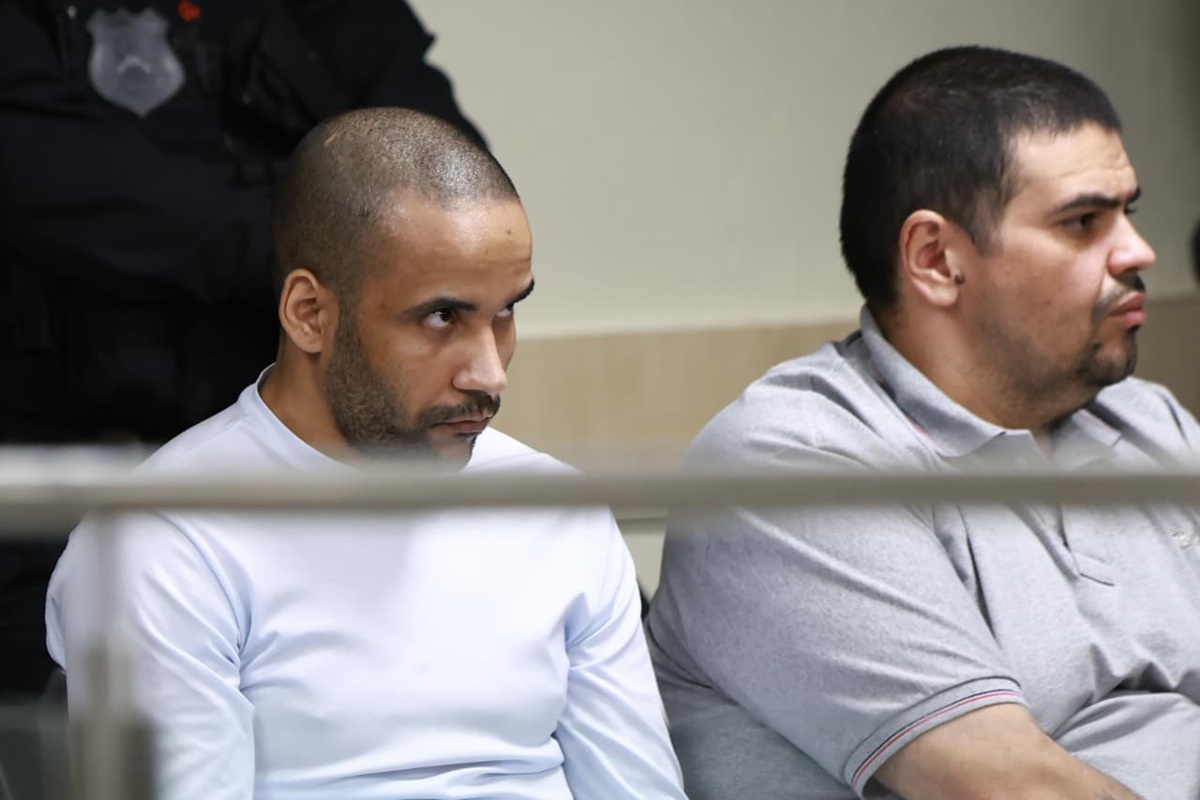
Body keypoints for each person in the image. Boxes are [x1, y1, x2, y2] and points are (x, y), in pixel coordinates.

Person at [46, 107, 686, 799]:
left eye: (505, 312)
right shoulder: (164, 540)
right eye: (442, 317)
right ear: (309, 314)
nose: (490, 373)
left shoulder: (556, 508)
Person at [647, 45, 1200, 800]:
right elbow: (1010, 789)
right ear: (937, 259)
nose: (1139, 250)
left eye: (1125, 213)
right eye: (1082, 222)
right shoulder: (793, 463)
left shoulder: (1146, 420)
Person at [0, 0, 486, 696]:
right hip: (46, 494)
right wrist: (326, 241)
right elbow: (65, 183)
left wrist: (324, 246)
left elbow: (450, 195)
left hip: (298, 478)